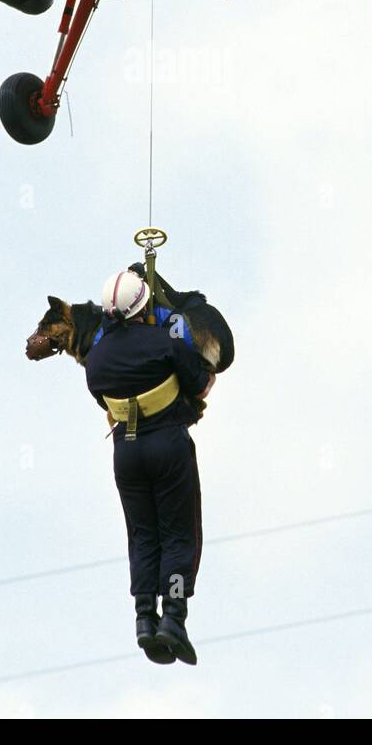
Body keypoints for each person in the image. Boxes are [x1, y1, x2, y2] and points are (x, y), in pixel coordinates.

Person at [85, 268, 216, 665]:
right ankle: (173, 619)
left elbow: (104, 402)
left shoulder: (96, 361)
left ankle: (144, 617)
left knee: (142, 536)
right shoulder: (164, 341)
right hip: (167, 446)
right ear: (145, 305)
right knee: (179, 534)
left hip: (126, 453)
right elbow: (199, 383)